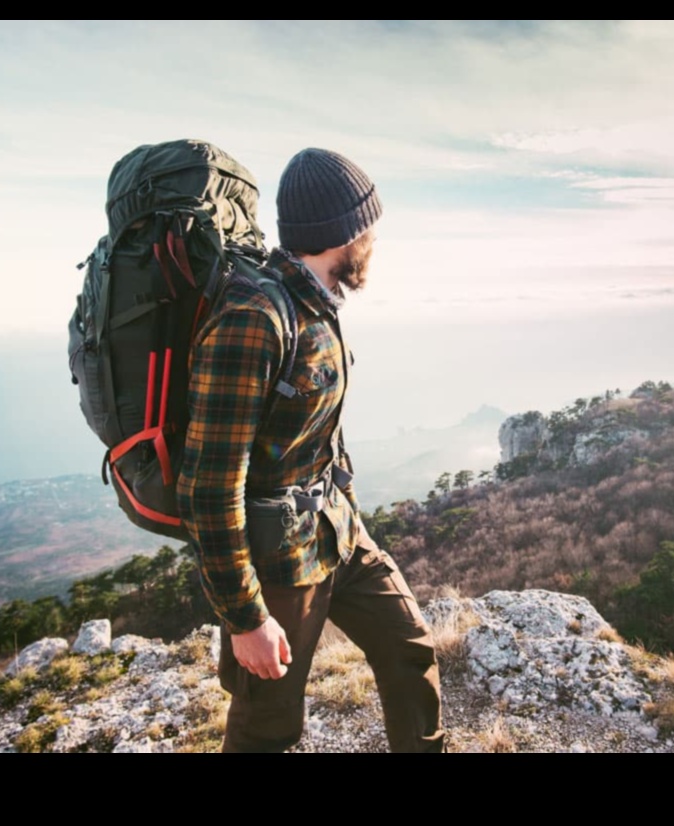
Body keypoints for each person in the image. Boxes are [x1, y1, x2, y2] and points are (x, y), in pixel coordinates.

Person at [177, 147, 444, 753]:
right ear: (343, 233)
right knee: (267, 724)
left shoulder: (315, 302)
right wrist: (245, 619)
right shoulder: (254, 318)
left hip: (336, 532)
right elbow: (208, 488)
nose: (374, 240)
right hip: (280, 563)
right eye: (368, 226)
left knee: (408, 648)